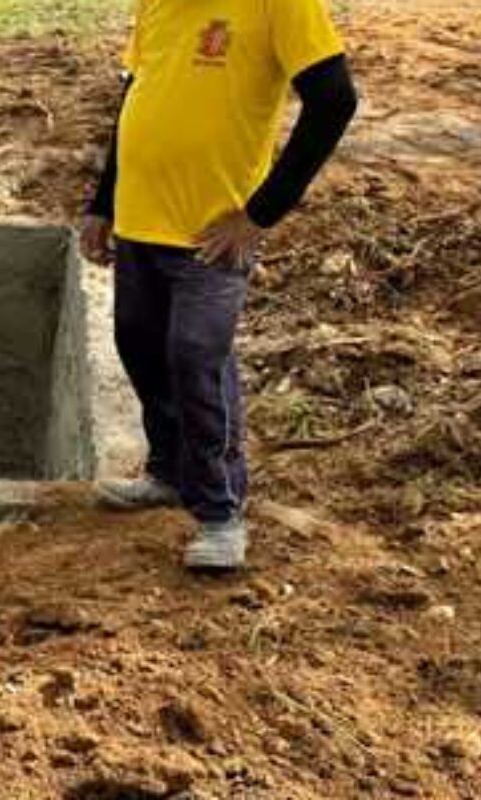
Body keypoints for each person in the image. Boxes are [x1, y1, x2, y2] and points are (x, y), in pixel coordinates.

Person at [80, 0, 358, 570]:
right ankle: (168, 470)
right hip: (139, 219)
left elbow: (334, 101)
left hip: (213, 234)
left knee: (195, 356)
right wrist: (103, 203)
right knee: (139, 344)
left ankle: (220, 512)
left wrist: (260, 214)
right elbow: (136, 93)